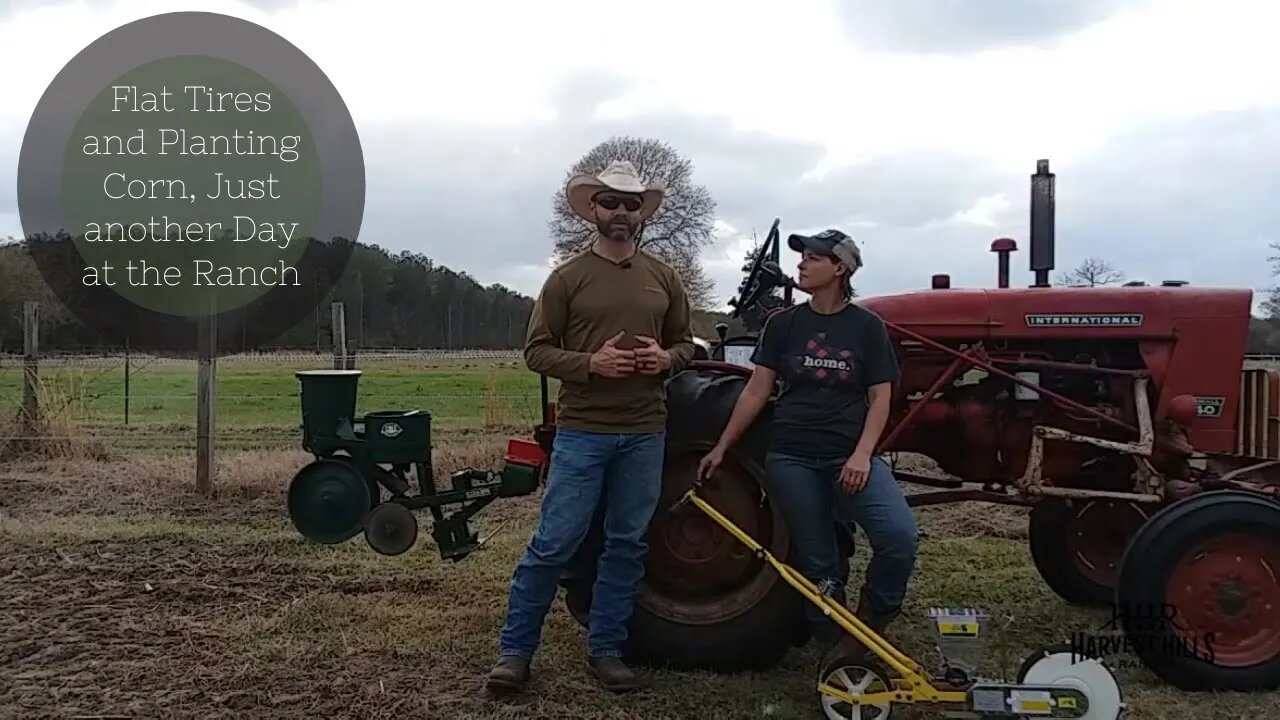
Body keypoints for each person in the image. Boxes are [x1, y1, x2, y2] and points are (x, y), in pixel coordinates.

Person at [486, 160, 697, 695]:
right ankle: (515, 654)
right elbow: (535, 351)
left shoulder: (663, 277)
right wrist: (590, 365)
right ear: (593, 210)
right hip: (584, 432)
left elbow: (687, 345)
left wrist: (664, 360)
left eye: (630, 204)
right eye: (610, 202)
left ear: (640, 214)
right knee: (554, 543)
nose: (621, 212)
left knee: (627, 544)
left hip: (646, 431)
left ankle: (606, 650)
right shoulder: (566, 279)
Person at [697, 228, 918, 669]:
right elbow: (757, 392)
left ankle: (874, 617)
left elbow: (881, 398)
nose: (801, 264)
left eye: (813, 257)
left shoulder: (867, 328)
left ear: (840, 268)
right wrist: (722, 445)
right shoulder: (784, 325)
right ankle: (833, 643)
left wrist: (861, 455)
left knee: (899, 537)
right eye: (802, 257)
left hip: (848, 455)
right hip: (792, 456)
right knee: (818, 558)